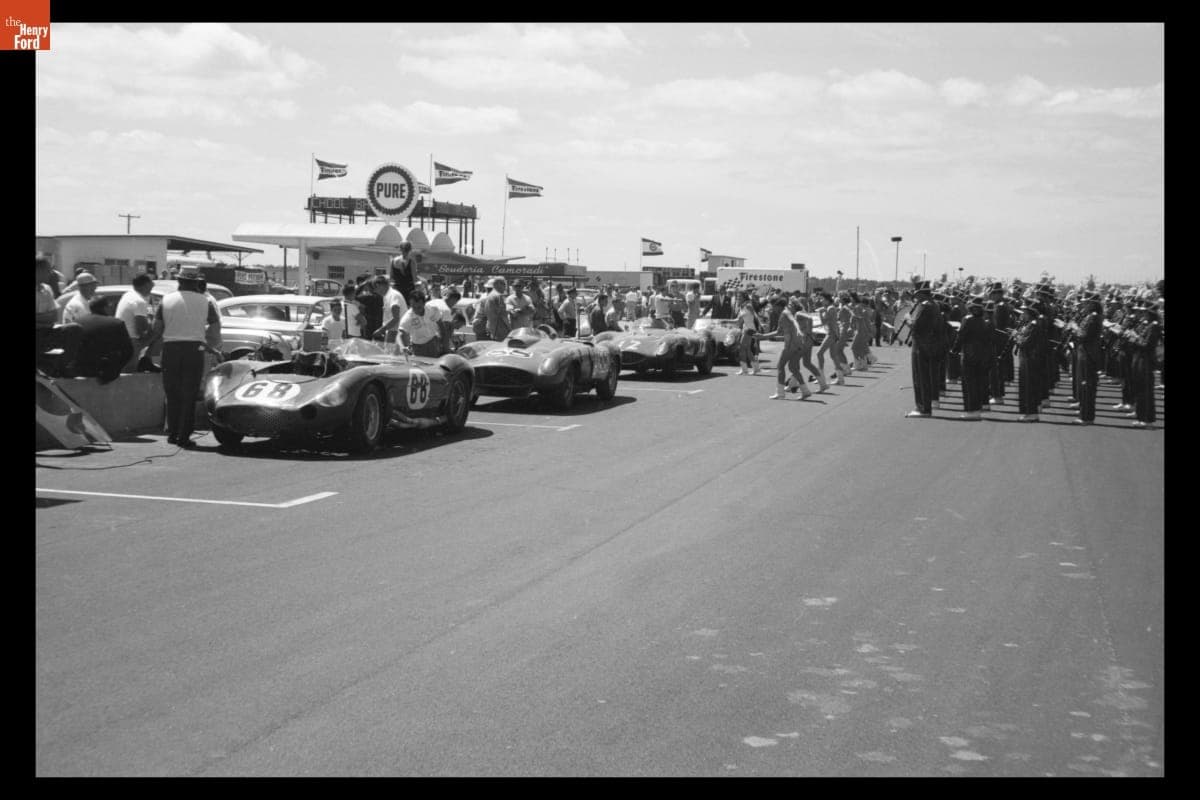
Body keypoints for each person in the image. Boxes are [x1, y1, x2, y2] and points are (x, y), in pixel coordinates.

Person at [152, 265, 220, 447]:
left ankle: (173, 432)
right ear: (196, 282)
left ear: (179, 281)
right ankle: (184, 435)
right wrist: (207, 344)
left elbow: (156, 328)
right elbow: (215, 327)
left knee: (172, 392)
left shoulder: (166, 300)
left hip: (170, 349)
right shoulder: (206, 302)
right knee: (189, 393)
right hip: (194, 350)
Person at [757, 296, 813, 400]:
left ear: (777, 305)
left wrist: (801, 330)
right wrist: (762, 336)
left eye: (772, 306)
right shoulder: (782, 315)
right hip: (797, 344)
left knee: (780, 366)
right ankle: (805, 391)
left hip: (791, 345)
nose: (771, 308)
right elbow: (778, 332)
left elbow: (793, 320)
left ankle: (780, 393)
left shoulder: (785, 312)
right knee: (793, 367)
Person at [72, 297, 135, 384]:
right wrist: (114, 370)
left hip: (80, 371)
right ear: (105, 307)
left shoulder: (77, 322)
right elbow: (128, 351)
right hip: (106, 372)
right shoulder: (116, 324)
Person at [950, 295, 992, 420]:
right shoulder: (984, 321)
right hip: (982, 355)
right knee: (978, 382)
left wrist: (954, 349)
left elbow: (961, 336)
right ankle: (977, 408)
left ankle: (971, 410)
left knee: (968, 384)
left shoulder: (967, 319)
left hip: (969, 354)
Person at [905, 281, 943, 418]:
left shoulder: (924, 305)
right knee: (925, 376)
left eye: (917, 294)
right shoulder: (934, 304)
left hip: (921, 345)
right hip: (931, 344)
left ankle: (922, 408)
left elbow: (916, 326)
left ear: (921, 293)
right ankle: (925, 406)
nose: (916, 297)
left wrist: (908, 319)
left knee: (920, 377)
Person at [114, 272, 161, 373]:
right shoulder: (139, 301)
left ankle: (146, 360)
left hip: (122, 337)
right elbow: (140, 328)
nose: (152, 287)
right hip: (131, 340)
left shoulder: (128, 295)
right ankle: (145, 359)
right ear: (145, 285)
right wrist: (150, 328)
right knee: (130, 370)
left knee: (126, 370)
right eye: (151, 284)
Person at [1070, 291, 1104, 425]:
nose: (1083, 305)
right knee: (1084, 385)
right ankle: (1084, 414)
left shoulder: (1093, 318)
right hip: (1084, 353)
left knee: (1087, 385)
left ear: (1092, 304)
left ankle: (1087, 417)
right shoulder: (1089, 316)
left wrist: (1074, 328)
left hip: (1088, 355)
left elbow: (1084, 335)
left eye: (1086, 303)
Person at [1126, 300, 1161, 428]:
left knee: (1145, 391)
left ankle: (1147, 420)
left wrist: (1135, 338)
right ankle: (1141, 417)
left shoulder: (1154, 326)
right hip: (1139, 358)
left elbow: (1147, 344)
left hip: (1145, 360)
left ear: (1150, 313)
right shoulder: (1148, 324)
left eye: (1144, 312)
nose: (1142, 314)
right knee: (1139, 389)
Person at [1012, 300, 1046, 422]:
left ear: (1030, 313)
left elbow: (1025, 342)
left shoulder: (1033, 325)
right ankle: (1029, 412)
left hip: (1030, 359)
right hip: (1027, 358)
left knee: (1029, 386)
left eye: (1025, 312)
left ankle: (1031, 413)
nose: (1022, 314)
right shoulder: (1029, 324)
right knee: (1026, 385)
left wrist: (1016, 335)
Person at [398, 289, 445, 357]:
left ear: (424, 303)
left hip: (433, 343)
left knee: (435, 363)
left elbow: (440, 324)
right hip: (418, 347)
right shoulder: (407, 318)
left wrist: (442, 340)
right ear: (410, 304)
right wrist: (403, 347)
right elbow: (400, 333)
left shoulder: (432, 309)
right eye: (413, 307)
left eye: (419, 307)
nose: (416, 310)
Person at [371, 275, 408, 343]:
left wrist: (381, 330)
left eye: (375, 288)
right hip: (393, 331)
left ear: (379, 285)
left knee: (391, 350)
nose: (375, 291)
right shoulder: (386, 296)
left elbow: (396, 318)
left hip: (398, 332)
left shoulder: (393, 295)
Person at [428, 288, 463, 353]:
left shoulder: (432, 302)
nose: (454, 305)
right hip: (432, 342)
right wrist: (447, 351)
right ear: (454, 299)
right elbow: (444, 334)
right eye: (455, 302)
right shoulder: (446, 310)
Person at [733, 298, 760, 375]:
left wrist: (759, 326)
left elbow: (755, 315)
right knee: (747, 350)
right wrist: (727, 321)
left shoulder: (748, 306)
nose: (738, 299)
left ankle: (744, 369)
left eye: (739, 297)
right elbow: (738, 320)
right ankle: (755, 368)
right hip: (745, 329)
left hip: (750, 329)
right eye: (737, 297)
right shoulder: (741, 308)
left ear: (744, 298)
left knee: (742, 348)